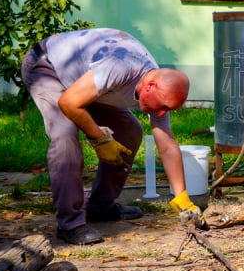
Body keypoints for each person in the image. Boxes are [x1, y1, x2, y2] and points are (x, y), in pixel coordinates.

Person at [21, 27, 204, 245]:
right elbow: (68, 103)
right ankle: (70, 223)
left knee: (130, 132)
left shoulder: (158, 88)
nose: (162, 113)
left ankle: (99, 206)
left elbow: (166, 143)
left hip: (86, 82)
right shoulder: (120, 67)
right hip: (48, 66)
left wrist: (181, 197)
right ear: (151, 86)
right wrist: (100, 139)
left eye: (168, 109)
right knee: (65, 136)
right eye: (163, 106)